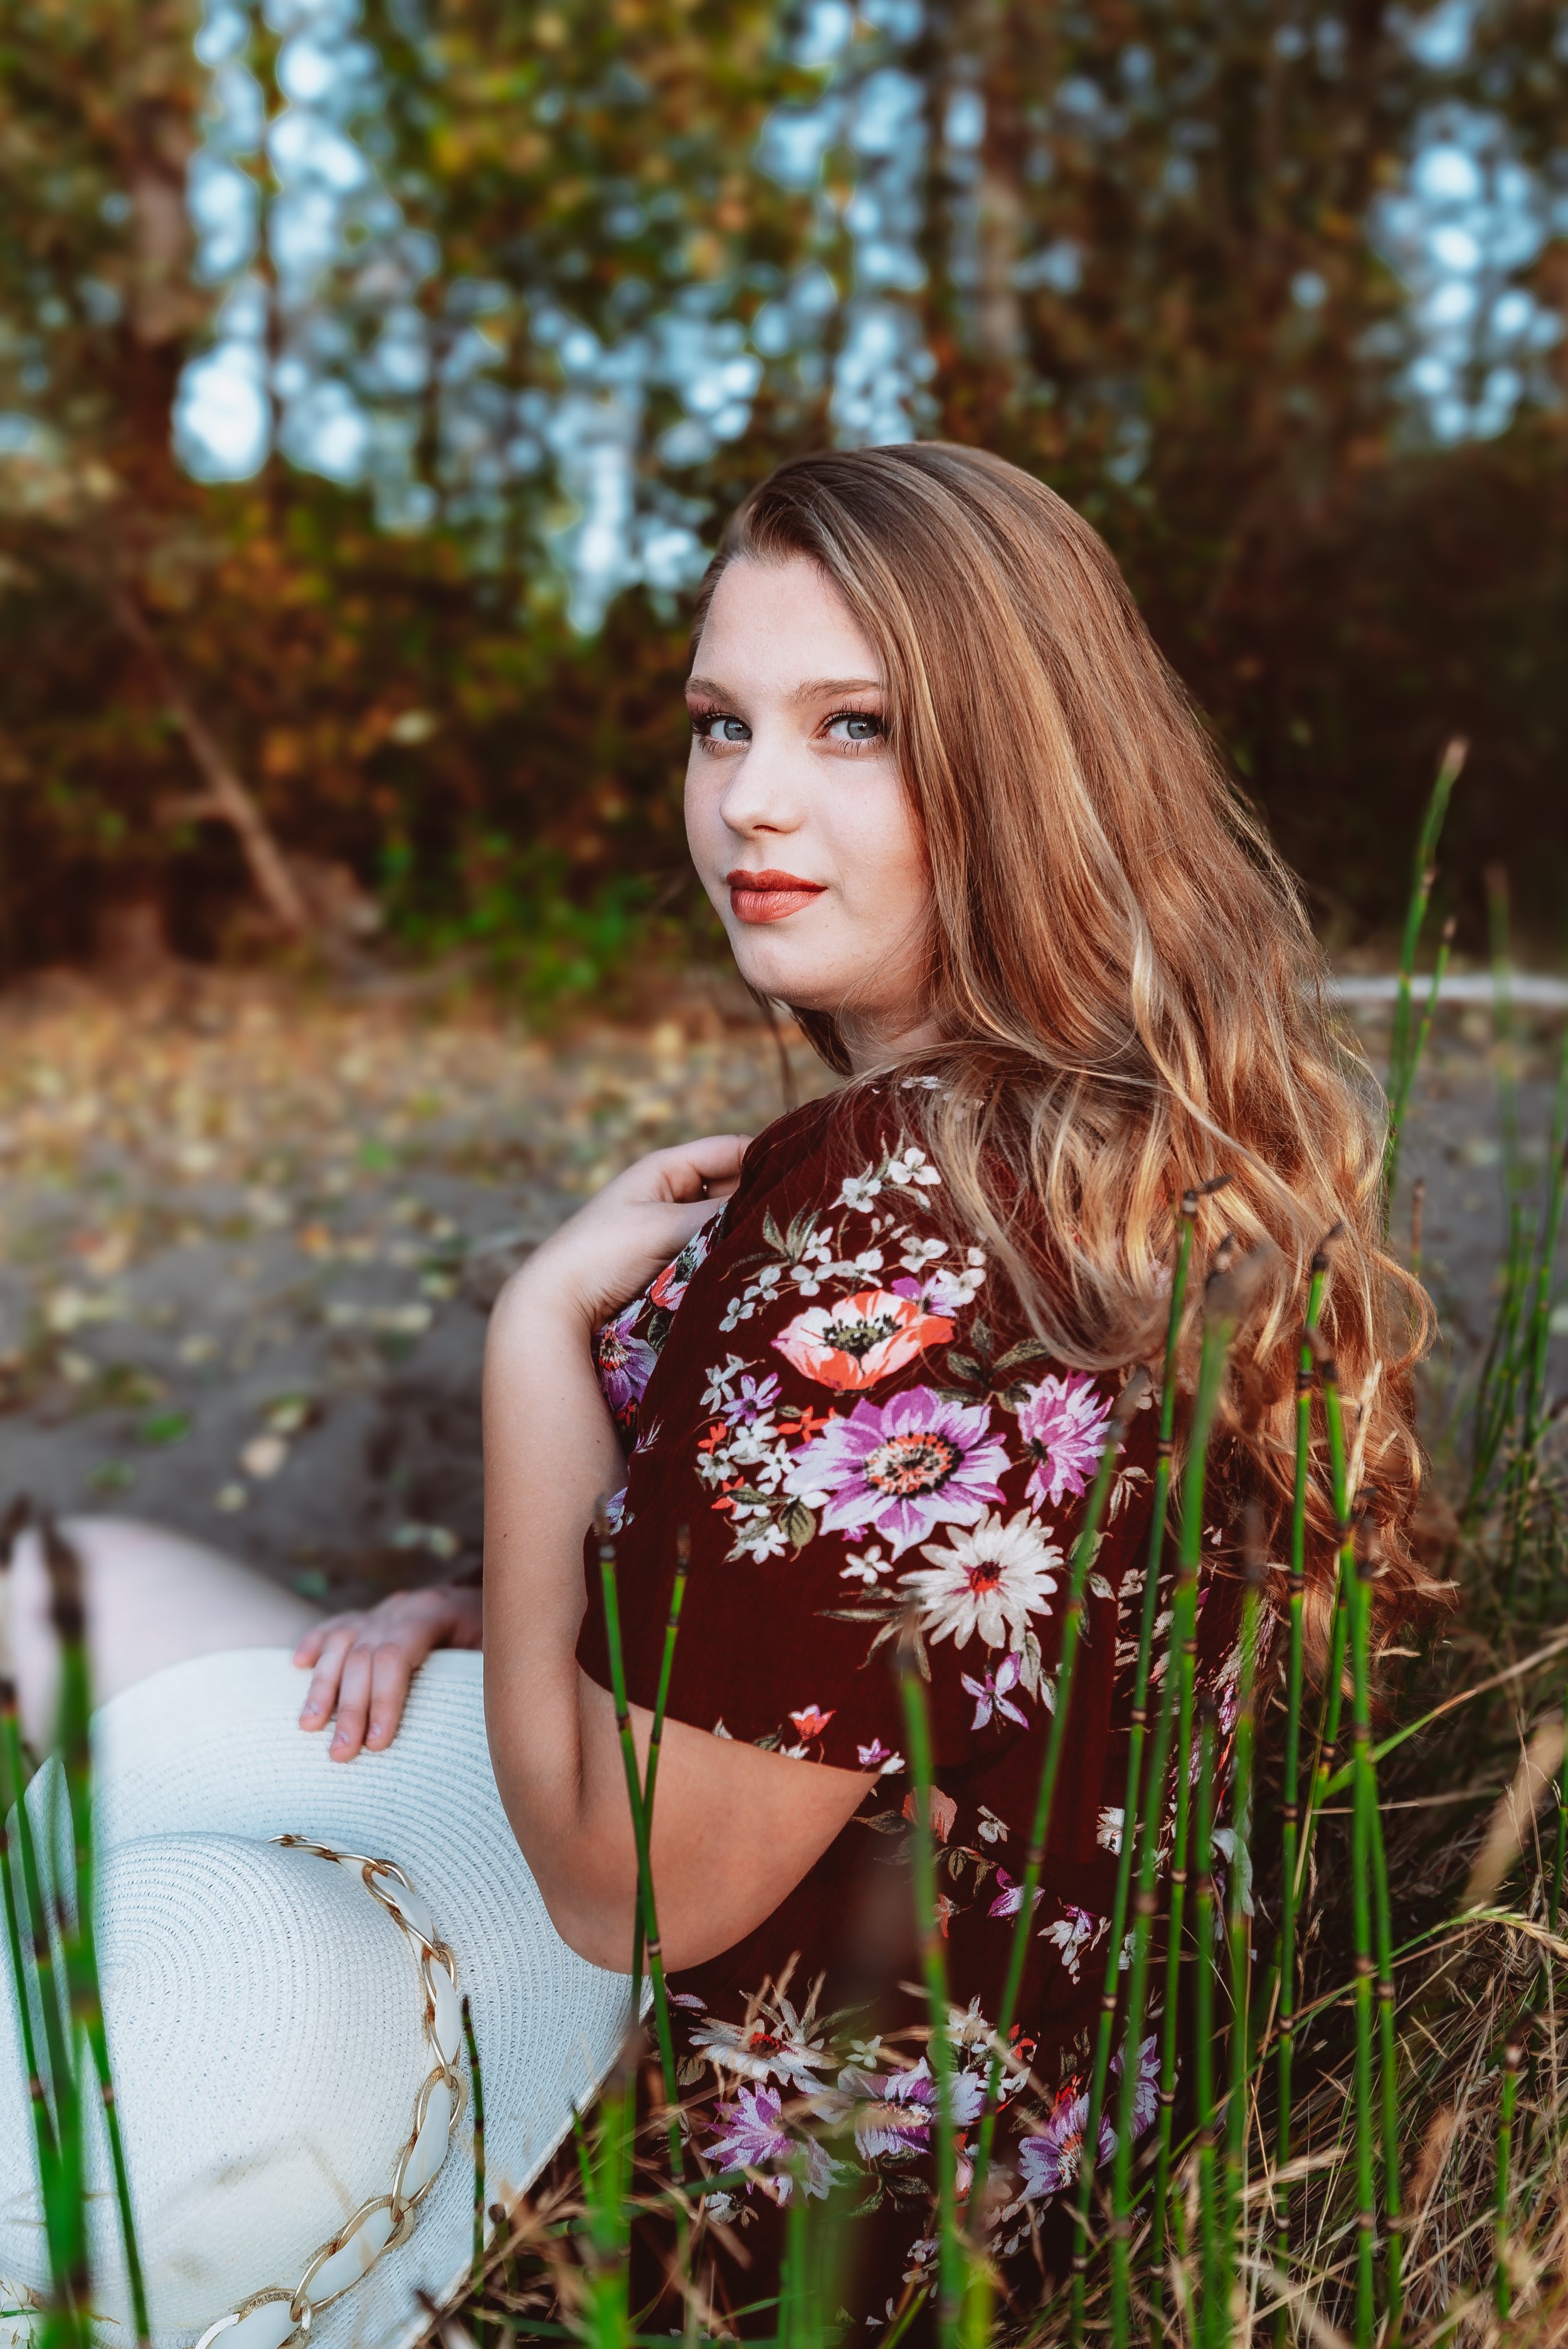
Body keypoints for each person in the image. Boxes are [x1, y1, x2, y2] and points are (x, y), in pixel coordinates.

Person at [4, 444, 1441, 2337]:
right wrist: (541, 1589)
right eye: (717, 724)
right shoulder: (1122, 1142)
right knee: (78, 1574)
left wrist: (537, 1347)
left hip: (717, 2179)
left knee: (44, 1600)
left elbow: (626, 1890)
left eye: (856, 727)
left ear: (1020, 763)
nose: (751, 801)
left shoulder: (881, 1212)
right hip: (1044, 2114)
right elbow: (886, 1636)